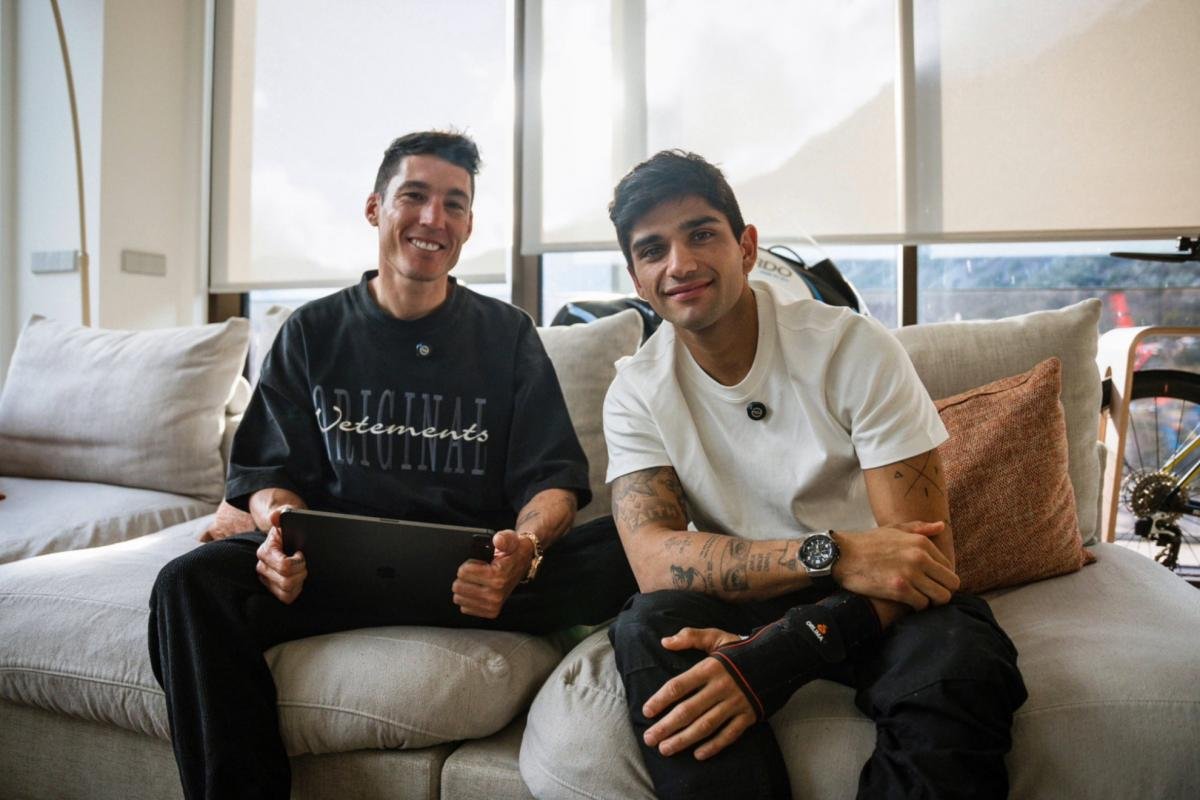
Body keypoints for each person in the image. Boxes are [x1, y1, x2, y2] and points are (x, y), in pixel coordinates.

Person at [148, 131, 637, 800]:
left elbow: (552, 481)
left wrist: (522, 551)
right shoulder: (312, 332)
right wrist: (278, 535)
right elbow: (266, 477)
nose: (434, 218)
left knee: (625, 546)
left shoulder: (506, 335)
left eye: (454, 203)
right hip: (328, 574)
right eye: (415, 196)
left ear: (468, 225)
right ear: (375, 208)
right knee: (189, 585)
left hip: (476, 580)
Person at [602, 151, 1027, 799]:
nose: (679, 264)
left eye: (702, 234)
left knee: (961, 664)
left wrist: (773, 655)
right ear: (637, 278)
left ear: (747, 247)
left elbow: (923, 560)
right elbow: (654, 562)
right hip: (776, 583)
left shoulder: (852, 348)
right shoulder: (636, 390)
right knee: (647, 625)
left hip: (878, 598)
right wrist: (833, 553)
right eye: (652, 250)